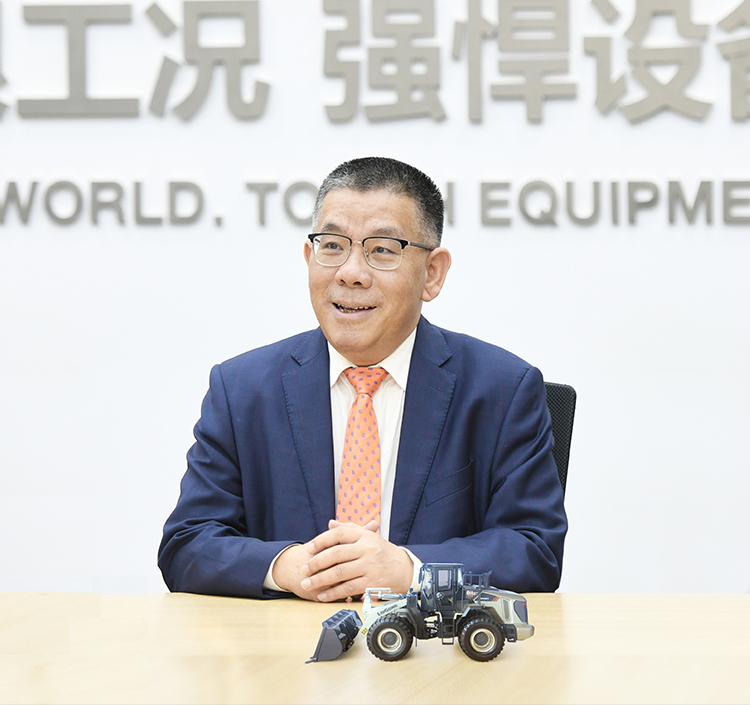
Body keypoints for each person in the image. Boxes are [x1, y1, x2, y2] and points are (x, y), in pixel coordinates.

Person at [158, 157, 567, 602]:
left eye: (383, 250)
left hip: (434, 642)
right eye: (333, 246)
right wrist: (290, 566)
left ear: (432, 273)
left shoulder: (502, 390)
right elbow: (187, 544)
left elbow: (534, 549)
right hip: (286, 641)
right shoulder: (241, 389)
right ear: (309, 257)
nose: (350, 273)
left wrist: (410, 569)